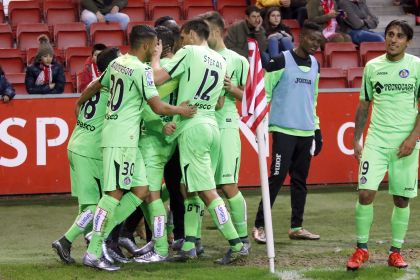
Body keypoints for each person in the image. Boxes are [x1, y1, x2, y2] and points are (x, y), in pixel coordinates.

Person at [78, 25, 196, 271]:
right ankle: (93, 249)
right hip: (123, 138)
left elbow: (97, 86)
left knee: (141, 189)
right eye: (154, 45)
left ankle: (102, 233)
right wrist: (180, 111)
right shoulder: (141, 70)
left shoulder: (116, 64)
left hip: (122, 137)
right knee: (113, 194)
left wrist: (79, 104)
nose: (156, 48)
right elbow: (157, 107)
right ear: (146, 45)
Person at [152, 19, 249, 265]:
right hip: (212, 126)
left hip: (192, 127)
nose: (181, 41)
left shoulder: (189, 52)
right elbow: (218, 102)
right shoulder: (219, 59)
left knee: (207, 191)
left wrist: (154, 57)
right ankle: (188, 244)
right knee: (189, 188)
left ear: (193, 34)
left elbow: (158, 78)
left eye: (183, 36)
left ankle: (236, 243)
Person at [346, 19, 420, 271]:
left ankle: (395, 251)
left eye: (400, 36)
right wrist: (357, 138)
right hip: (376, 142)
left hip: (405, 144)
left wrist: (412, 139)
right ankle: (361, 249)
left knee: (401, 199)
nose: (393, 39)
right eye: (390, 34)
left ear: (407, 41)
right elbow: (364, 105)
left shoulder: (417, 66)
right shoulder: (372, 67)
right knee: (365, 193)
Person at [252, 21, 324, 244]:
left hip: (306, 132)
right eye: (312, 39)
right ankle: (259, 226)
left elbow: (313, 101)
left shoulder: (315, 65)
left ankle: (297, 227)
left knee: (300, 181)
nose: (315, 44)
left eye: (319, 41)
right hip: (283, 131)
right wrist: (261, 126)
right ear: (301, 37)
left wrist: (317, 129)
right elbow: (265, 94)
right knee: (276, 178)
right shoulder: (281, 60)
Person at [51, 47, 120, 265]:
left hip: (76, 143)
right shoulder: (113, 91)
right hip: (89, 151)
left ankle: (89, 245)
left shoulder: (94, 86)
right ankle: (66, 240)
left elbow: (78, 106)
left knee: (86, 204)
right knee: (96, 205)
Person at [199, 11, 250, 250]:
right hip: (202, 124)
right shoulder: (199, 57)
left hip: (227, 124)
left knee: (228, 186)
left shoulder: (238, 60)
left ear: (217, 32)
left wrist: (233, 89)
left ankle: (243, 238)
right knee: (199, 186)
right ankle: (192, 240)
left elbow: (252, 99)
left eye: (205, 30)